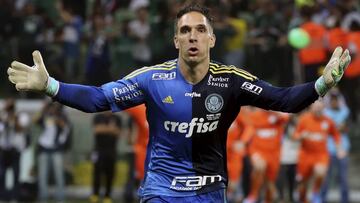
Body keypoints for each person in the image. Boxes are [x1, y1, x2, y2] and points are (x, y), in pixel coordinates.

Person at [6, 4, 351, 203]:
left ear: (212, 39)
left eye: (200, 30)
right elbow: (98, 99)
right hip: (160, 189)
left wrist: (323, 83)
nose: (193, 36)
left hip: (209, 191)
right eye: (185, 31)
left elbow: (284, 100)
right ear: (175, 40)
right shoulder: (151, 79)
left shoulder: (230, 80)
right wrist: (50, 85)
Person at [293, 100, 342, 203]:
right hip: (305, 155)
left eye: (320, 107)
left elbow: (336, 135)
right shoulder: (304, 119)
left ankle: (315, 192)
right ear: (311, 107)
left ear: (324, 108)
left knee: (320, 172)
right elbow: (295, 136)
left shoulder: (328, 121)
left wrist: (339, 148)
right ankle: (303, 198)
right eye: (316, 107)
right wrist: (302, 136)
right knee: (303, 183)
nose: (318, 109)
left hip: (321, 154)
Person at [244, 108, 289, 203]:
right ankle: (253, 195)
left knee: (270, 178)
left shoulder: (278, 116)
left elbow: (286, 117)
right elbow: (249, 129)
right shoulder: (255, 115)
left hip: (274, 153)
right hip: (258, 150)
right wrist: (244, 142)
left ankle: (267, 199)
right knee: (259, 167)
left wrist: (273, 111)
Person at [34, 101, 71, 202]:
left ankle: (60, 199)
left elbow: (67, 129)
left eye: (55, 107)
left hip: (56, 149)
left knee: (59, 176)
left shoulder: (63, 116)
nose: (53, 109)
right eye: (51, 107)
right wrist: (43, 110)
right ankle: (43, 198)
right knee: (42, 176)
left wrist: (58, 121)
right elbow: (35, 121)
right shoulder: (45, 115)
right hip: (44, 148)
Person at [321, 90, 351, 203]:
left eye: (336, 100)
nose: (334, 102)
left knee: (343, 178)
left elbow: (346, 129)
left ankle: (345, 200)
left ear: (339, 101)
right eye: (332, 100)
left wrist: (334, 128)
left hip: (342, 149)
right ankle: (322, 199)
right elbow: (326, 130)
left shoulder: (345, 112)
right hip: (328, 149)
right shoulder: (325, 113)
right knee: (325, 178)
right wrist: (336, 128)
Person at [89, 111, 122, 203]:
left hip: (111, 151)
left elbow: (119, 132)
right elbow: (96, 130)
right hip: (99, 150)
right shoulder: (98, 117)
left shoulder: (117, 118)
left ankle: (107, 196)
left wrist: (105, 128)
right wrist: (111, 129)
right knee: (97, 173)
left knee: (110, 174)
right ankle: (95, 194)